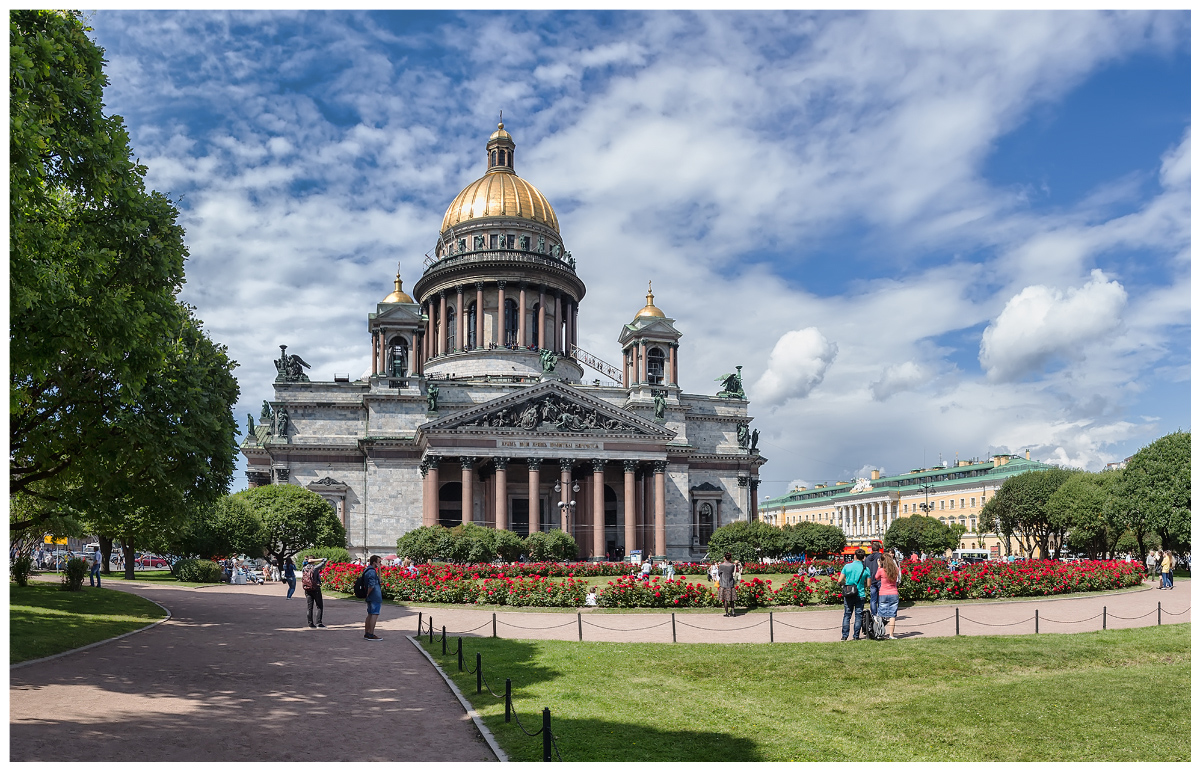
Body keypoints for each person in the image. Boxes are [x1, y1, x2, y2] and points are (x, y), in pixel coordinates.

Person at [837, 548, 870, 641]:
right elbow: (868, 584)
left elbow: (839, 580)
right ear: (863, 557)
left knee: (847, 615)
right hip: (860, 594)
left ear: (854, 556)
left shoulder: (847, 566)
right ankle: (856, 636)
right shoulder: (866, 569)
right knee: (858, 615)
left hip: (848, 593)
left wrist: (845, 585)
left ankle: (844, 635)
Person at [874, 552, 901, 639]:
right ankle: (891, 635)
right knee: (892, 615)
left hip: (883, 593)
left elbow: (876, 577)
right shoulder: (896, 569)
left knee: (881, 614)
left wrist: (879, 566)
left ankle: (880, 633)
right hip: (894, 592)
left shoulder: (881, 570)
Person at [302, 556, 328, 628]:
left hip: (307, 588)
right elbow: (324, 560)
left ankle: (310, 623)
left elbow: (304, 562)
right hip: (315, 588)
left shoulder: (304, 568)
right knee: (319, 606)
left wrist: (309, 560)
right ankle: (318, 623)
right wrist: (318, 559)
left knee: (309, 607)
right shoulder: (315, 568)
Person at [363, 555, 383, 640]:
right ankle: (371, 633)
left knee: (370, 614)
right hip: (374, 596)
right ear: (374, 562)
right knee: (374, 614)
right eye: (379, 562)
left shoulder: (368, 570)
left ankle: (367, 633)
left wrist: (379, 570)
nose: (380, 564)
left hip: (371, 596)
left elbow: (379, 581)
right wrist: (368, 593)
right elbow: (371, 585)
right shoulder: (371, 572)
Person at [863, 543, 882, 616]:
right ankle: (880, 614)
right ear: (878, 549)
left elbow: (864, 568)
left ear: (872, 549)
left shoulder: (867, 558)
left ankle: (874, 614)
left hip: (871, 579)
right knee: (881, 598)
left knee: (873, 599)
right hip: (879, 579)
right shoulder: (881, 557)